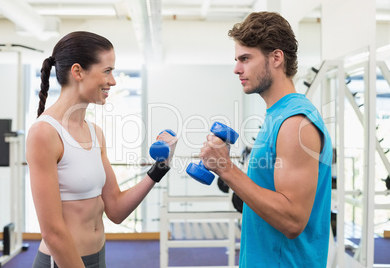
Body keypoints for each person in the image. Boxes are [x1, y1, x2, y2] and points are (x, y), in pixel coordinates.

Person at [26, 31, 177, 268]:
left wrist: (160, 167)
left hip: (97, 258)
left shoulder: (95, 132)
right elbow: (53, 232)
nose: (113, 81)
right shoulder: (44, 133)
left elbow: (115, 209)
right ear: (78, 72)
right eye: (107, 71)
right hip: (63, 262)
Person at [199, 12, 332, 267]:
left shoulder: (295, 123)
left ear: (276, 58)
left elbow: (293, 220)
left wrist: (226, 168)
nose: (237, 68)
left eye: (246, 59)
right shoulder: (277, 116)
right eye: (237, 59)